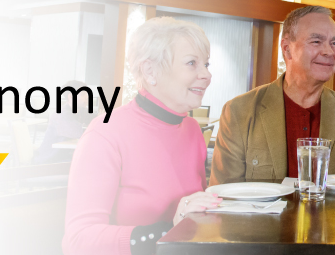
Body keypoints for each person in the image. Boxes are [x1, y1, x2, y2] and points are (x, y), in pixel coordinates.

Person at [62, 17, 220, 255]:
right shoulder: (105, 133)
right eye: (191, 63)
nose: (206, 75)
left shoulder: (192, 130)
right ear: (150, 70)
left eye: (206, 65)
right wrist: (167, 231)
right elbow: (78, 242)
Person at [210, 5, 335, 185]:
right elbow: (224, 196)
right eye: (316, 41)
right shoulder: (240, 112)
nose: (328, 51)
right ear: (287, 49)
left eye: (334, 43)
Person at [34, 80, 96, 164]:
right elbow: (78, 131)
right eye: (83, 94)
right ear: (71, 96)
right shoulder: (61, 114)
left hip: (65, 156)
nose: (87, 97)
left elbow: (98, 120)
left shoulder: (82, 111)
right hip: (50, 161)